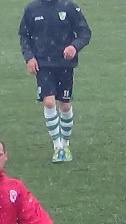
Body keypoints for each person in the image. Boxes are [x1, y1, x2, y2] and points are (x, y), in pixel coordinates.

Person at [19, 0, 92, 163]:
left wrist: (74, 46)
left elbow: (84, 32)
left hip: (65, 64)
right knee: (49, 102)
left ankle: (65, 145)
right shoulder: (32, 9)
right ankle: (57, 147)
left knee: (65, 105)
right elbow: (24, 36)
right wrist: (29, 57)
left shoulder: (69, 7)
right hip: (43, 64)